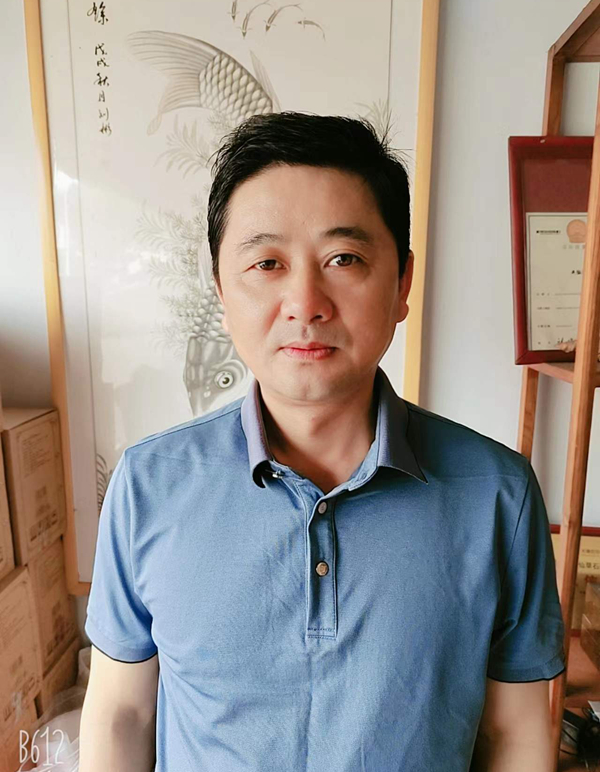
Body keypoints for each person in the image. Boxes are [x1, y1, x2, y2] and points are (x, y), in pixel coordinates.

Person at [79, 112, 566, 772]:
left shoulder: (498, 494)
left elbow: (514, 734)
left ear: (402, 284)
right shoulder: (148, 484)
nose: (305, 302)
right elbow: (122, 715)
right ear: (221, 289)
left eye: (344, 259)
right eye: (267, 263)